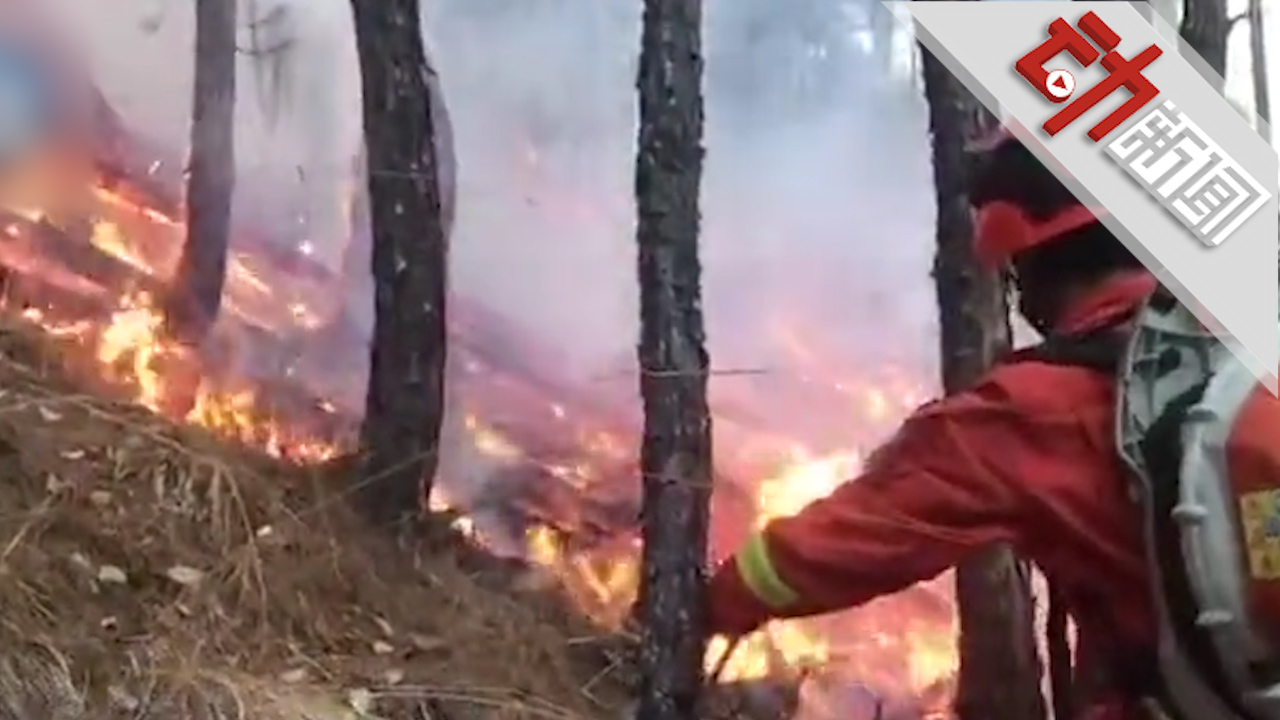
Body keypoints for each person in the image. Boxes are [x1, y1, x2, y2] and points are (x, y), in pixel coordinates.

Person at [706, 132, 1163, 718]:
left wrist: (716, 599)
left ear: (1035, 262)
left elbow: (853, 539)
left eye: (1016, 271)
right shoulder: (1237, 345)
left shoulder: (1030, 413)